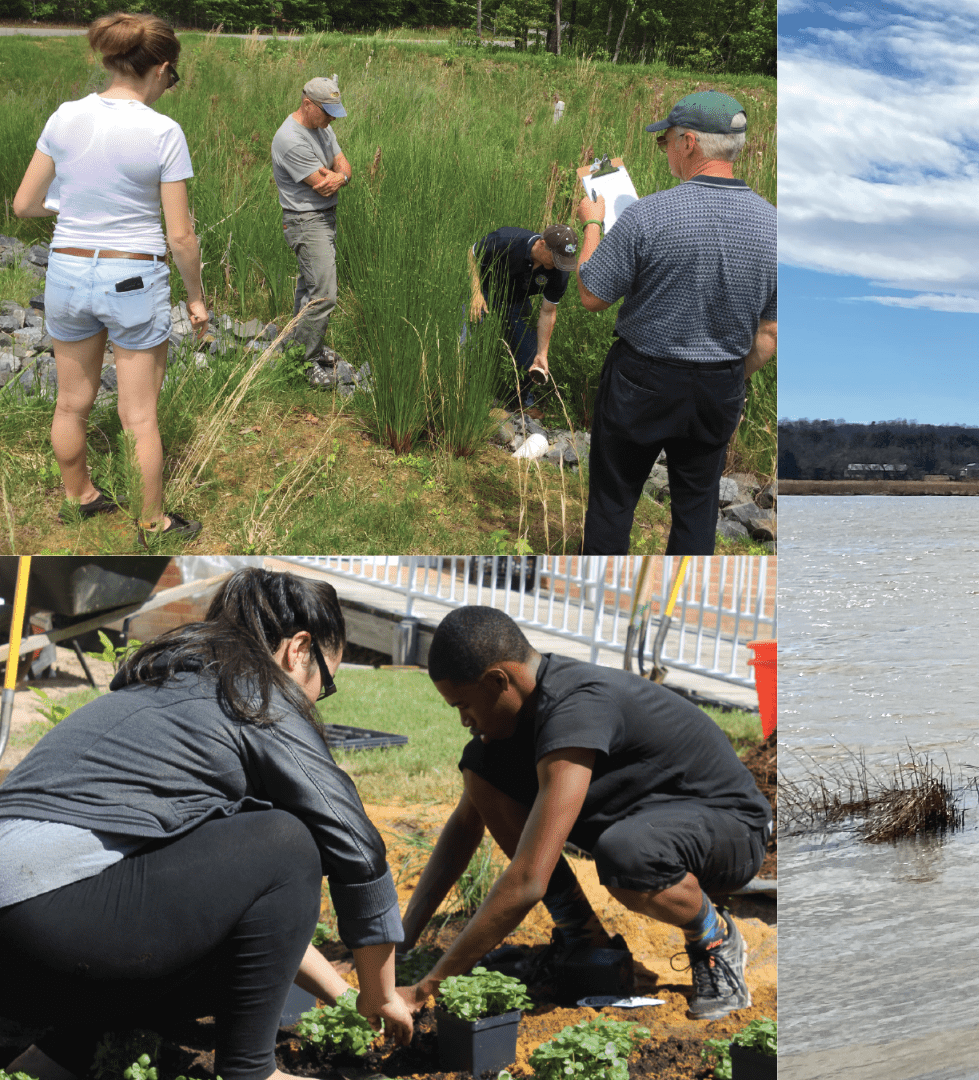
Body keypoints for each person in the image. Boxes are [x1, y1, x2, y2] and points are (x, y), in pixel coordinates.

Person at [0, 569, 413, 1080]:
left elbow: (241, 905)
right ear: (298, 650)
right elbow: (356, 847)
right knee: (289, 840)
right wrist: (382, 994)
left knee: (233, 893)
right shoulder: (253, 695)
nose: (311, 703)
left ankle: (53, 1059)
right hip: (50, 916)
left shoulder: (162, 692)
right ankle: (252, 1072)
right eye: (322, 685)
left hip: (22, 949)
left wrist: (346, 996)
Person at [395, 605, 770, 1021]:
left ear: (499, 680)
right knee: (481, 769)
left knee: (626, 855)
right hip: (654, 826)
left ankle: (714, 939)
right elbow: (464, 829)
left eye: (463, 705)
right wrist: (400, 941)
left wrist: (427, 987)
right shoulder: (525, 715)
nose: (464, 720)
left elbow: (528, 880)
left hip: (732, 829)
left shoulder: (575, 707)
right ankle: (583, 938)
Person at [10, 11, 209, 539]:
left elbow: (25, 205)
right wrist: (196, 298)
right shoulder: (164, 131)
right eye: (173, 76)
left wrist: (78, 207)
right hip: (132, 277)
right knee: (138, 415)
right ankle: (153, 522)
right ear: (161, 68)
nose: (171, 86)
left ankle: (80, 498)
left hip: (68, 271)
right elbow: (181, 236)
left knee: (72, 401)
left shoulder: (64, 117)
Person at [573, 90, 777, 555]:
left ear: (688, 143)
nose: (663, 147)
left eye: (664, 139)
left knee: (612, 501)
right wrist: (727, 379)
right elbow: (769, 336)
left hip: (640, 382)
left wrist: (591, 224)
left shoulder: (650, 215)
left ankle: (602, 608)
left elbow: (590, 295)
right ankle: (686, 611)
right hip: (719, 385)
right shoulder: (776, 226)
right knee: (697, 508)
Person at [270, 75, 350, 371]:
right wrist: (336, 176)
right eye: (327, 112)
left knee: (308, 289)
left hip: (324, 217)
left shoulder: (322, 128)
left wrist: (339, 174)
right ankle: (305, 361)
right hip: (305, 220)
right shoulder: (290, 139)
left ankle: (296, 348)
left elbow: (343, 166)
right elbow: (323, 185)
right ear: (307, 104)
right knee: (324, 295)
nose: (332, 119)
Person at [467, 223, 581, 414]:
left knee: (531, 355)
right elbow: (471, 255)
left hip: (515, 301)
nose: (559, 264)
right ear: (542, 244)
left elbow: (548, 312)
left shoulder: (559, 271)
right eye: (557, 258)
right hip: (485, 292)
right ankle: (468, 399)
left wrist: (542, 354)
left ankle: (519, 402)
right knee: (466, 346)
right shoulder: (507, 240)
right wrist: (475, 293)